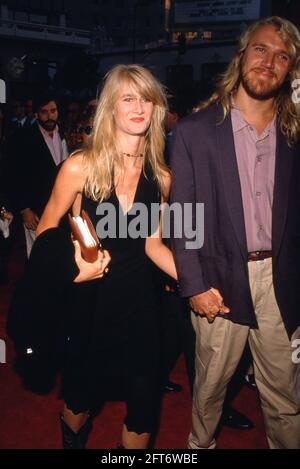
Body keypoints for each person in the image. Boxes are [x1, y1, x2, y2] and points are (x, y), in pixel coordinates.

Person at [170, 16, 300, 449]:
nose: (269, 62)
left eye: (283, 56)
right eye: (261, 49)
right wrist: (194, 284)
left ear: (291, 70)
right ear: (242, 55)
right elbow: (181, 218)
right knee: (209, 393)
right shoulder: (194, 132)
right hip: (219, 281)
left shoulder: (294, 136)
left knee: (286, 399)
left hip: (283, 282)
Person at [36, 64, 177, 449]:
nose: (139, 106)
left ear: (157, 109)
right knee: (79, 404)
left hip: (142, 308)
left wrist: (200, 279)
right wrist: (72, 268)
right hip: (90, 305)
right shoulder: (80, 166)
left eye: (147, 98)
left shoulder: (161, 176)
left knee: (144, 410)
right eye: (128, 98)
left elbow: (153, 245)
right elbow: (46, 233)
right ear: (111, 108)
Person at [8, 94, 68, 256]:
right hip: (36, 210)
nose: (50, 116)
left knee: (61, 256)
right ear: (35, 114)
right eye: (44, 112)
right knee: (38, 256)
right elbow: (14, 175)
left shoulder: (67, 133)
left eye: (53, 111)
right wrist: (24, 209)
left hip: (65, 208)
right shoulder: (22, 137)